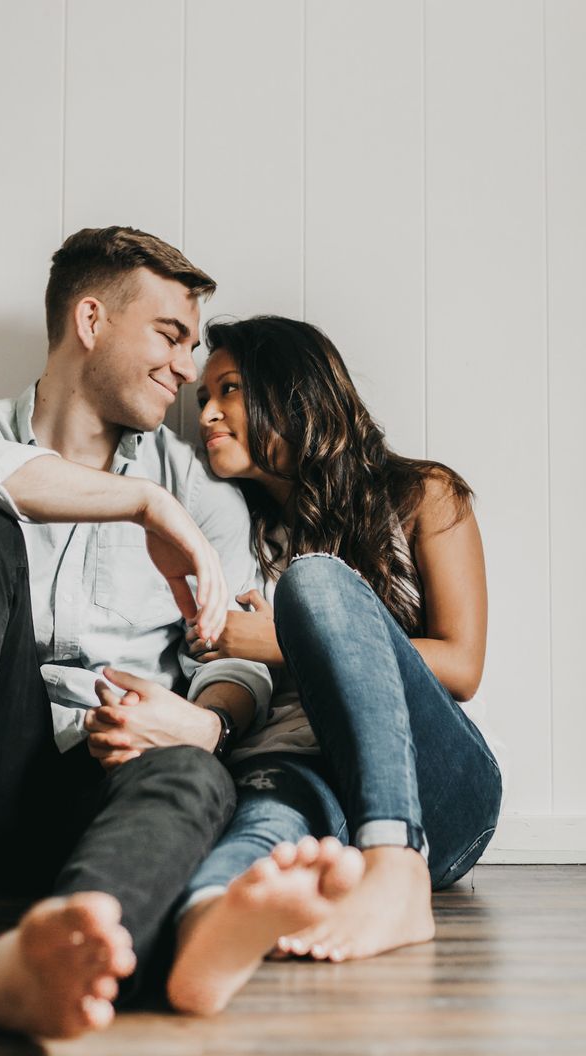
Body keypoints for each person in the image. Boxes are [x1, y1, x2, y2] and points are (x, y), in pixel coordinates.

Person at [0, 228, 274, 1039]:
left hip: (112, 781)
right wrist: (145, 504)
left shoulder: (204, 489)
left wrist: (205, 718)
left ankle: (61, 942)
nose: (188, 369)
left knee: (194, 775)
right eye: (170, 336)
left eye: (194, 346)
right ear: (90, 321)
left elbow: (239, 658)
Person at [147, 315, 502, 1015]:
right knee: (261, 828)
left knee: (315, 581)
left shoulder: (425, 495)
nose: (208, 412)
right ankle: (209, 928)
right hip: (303, 766)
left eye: (230, 390)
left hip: (436, 791)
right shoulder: (235, 527)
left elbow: (462, 665)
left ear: (296, 392)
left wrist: (277, 638)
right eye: (202, 399)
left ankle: (394, 864)